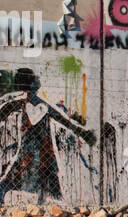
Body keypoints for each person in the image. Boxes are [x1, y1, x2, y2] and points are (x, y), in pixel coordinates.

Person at [0, 67, 95, 203]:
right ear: (31, 84)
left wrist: (82, 132)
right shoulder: (33, 103)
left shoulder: (19, 103)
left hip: (31, 152)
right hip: (39, 152)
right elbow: (61, 119)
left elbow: (60, 118)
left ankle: (33, 207)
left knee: (29, 183)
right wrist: (82, 132)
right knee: (34, 182)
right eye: (34, 80)